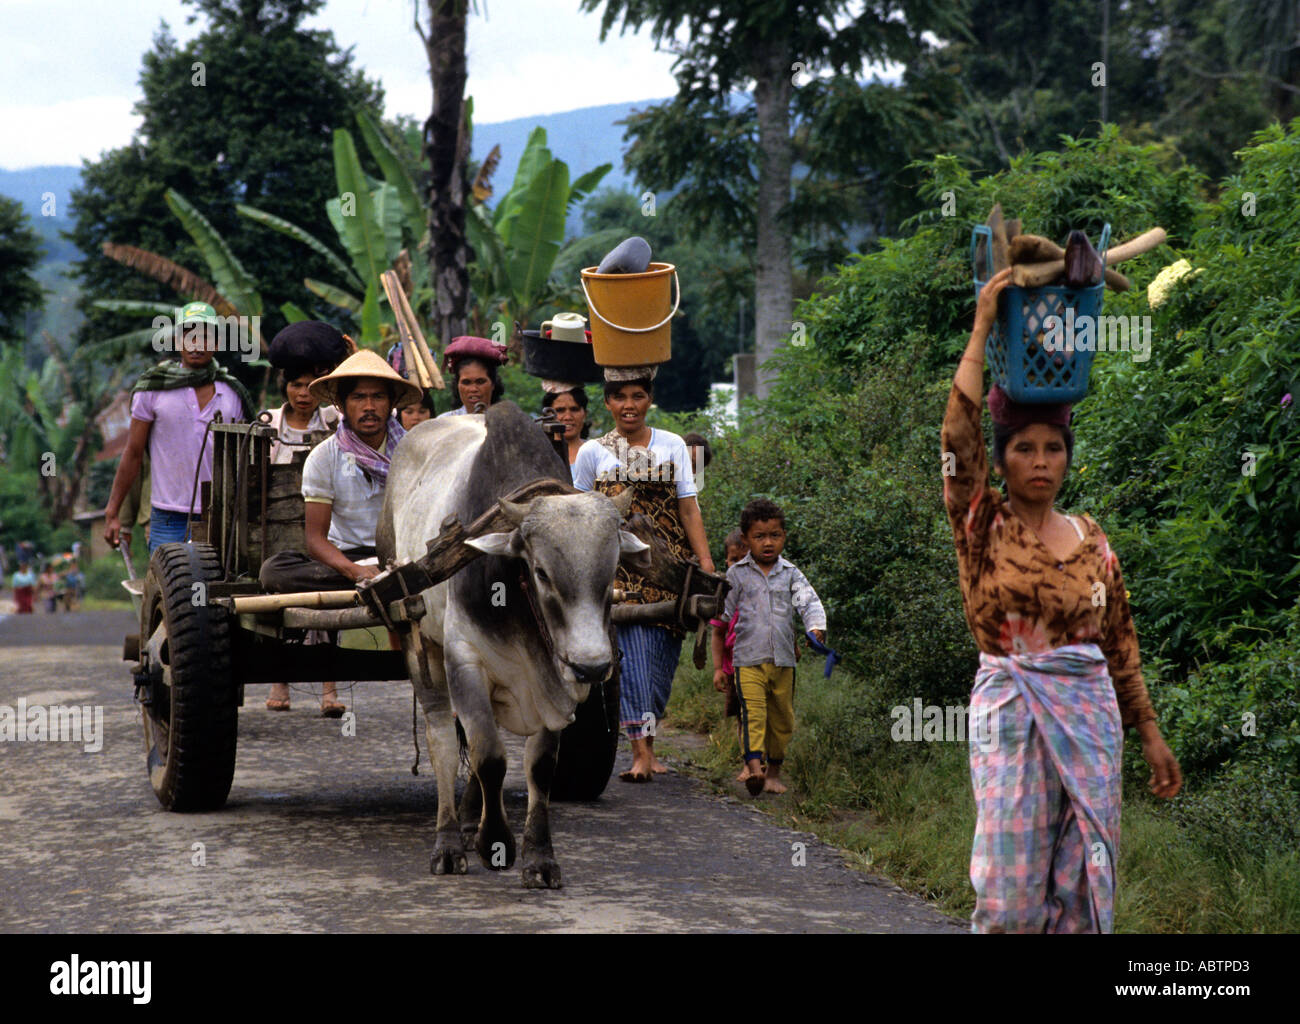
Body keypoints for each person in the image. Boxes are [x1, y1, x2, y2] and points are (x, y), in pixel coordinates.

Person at [944, 266, 1182, 934]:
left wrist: (1152, 736)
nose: (1040, 460)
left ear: (1068, 459)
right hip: (1011, 714)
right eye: (1024, 448)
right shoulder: (981, 525)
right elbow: (957, 444)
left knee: (1081, 886)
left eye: (1054, 448)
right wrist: (985, 320)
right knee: (1011, 894)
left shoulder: (1092, 539)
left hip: (1091, 721)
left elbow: (1120, 646)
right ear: (1004, 458)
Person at [571, 367, 715, 782]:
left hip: (671, 571)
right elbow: (580, 514)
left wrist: (704, 566)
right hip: (619, 571)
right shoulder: (592, 453)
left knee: (661, 665)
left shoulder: (672, 444)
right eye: (620, 398)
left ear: (649, 399)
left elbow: (689, 508)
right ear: (608, 403)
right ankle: (640, 753)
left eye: (637, 396)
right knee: (634, 659)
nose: (628, 406)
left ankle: (647, 742)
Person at [258, 349, 420, 716]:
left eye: (378, 396)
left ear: (392, 403)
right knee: (274, 571)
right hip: (346, 565)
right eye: (358, 397)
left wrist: (394, 566)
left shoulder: (414, 453)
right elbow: (315, 540)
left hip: (403, 559)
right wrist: (358, 572)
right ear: (342, 405)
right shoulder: (325, 456)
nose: (369, 406)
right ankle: (377, 583)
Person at [103, 302, 253, 554]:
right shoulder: (153, 388)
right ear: (177, 341)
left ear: (216, 344)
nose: (196, 343)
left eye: (204, 336)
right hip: (167, 517)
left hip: (218, 515)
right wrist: (113, 512)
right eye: (189, 335)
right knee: (169, 587)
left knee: (212, 588)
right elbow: (133, 453)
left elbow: (243, 458)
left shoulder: (232, 393)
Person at [261, 321, 348, 711]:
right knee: (277, 601)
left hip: (328, 529)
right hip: (273, 534)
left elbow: (380, 406)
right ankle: (279, 685)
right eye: (296, 385)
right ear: (286, 387)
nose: (303, 394)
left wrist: (353, 354)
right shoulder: (266, 425)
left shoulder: (334, 421)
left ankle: (329, 690)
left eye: (311, 385)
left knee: (328, 606)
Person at [713, 499, 827, 796]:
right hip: (747, 660)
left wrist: (816, 628)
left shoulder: (790, 574)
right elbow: (722, 615)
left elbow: (810, 604)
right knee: (753, 713)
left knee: (782, 720)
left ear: (784, 537)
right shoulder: (736, 575)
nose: (767, 543)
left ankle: (773, 773)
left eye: (774, 536)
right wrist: (716, 661)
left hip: (783, 662)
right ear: (746, 539)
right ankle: (754, 769)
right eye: (759, 537)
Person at [709, 529, 748, 778]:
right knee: (743, 716)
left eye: (744, 560)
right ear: (726, 561)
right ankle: (750, 764)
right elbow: (717, 634)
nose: (738, 566)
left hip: (765, 662)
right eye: (734, 560)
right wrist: (717, 669)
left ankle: (763, 760)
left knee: (763, 714)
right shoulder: (724, 596)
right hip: (735, 667)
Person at [438, 336, 507, 417]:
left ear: (493, 384)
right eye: (466, 382)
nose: (473, 389)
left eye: (480, 382)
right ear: (457, 385)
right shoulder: (444, 422)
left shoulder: (506, 422)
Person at [540, 385, 590, 465]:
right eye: (560, 410)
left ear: (585, 414)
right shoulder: (538, 455)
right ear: (548, 415)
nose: (568, 417)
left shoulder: (598, 453)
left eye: (574, 409)